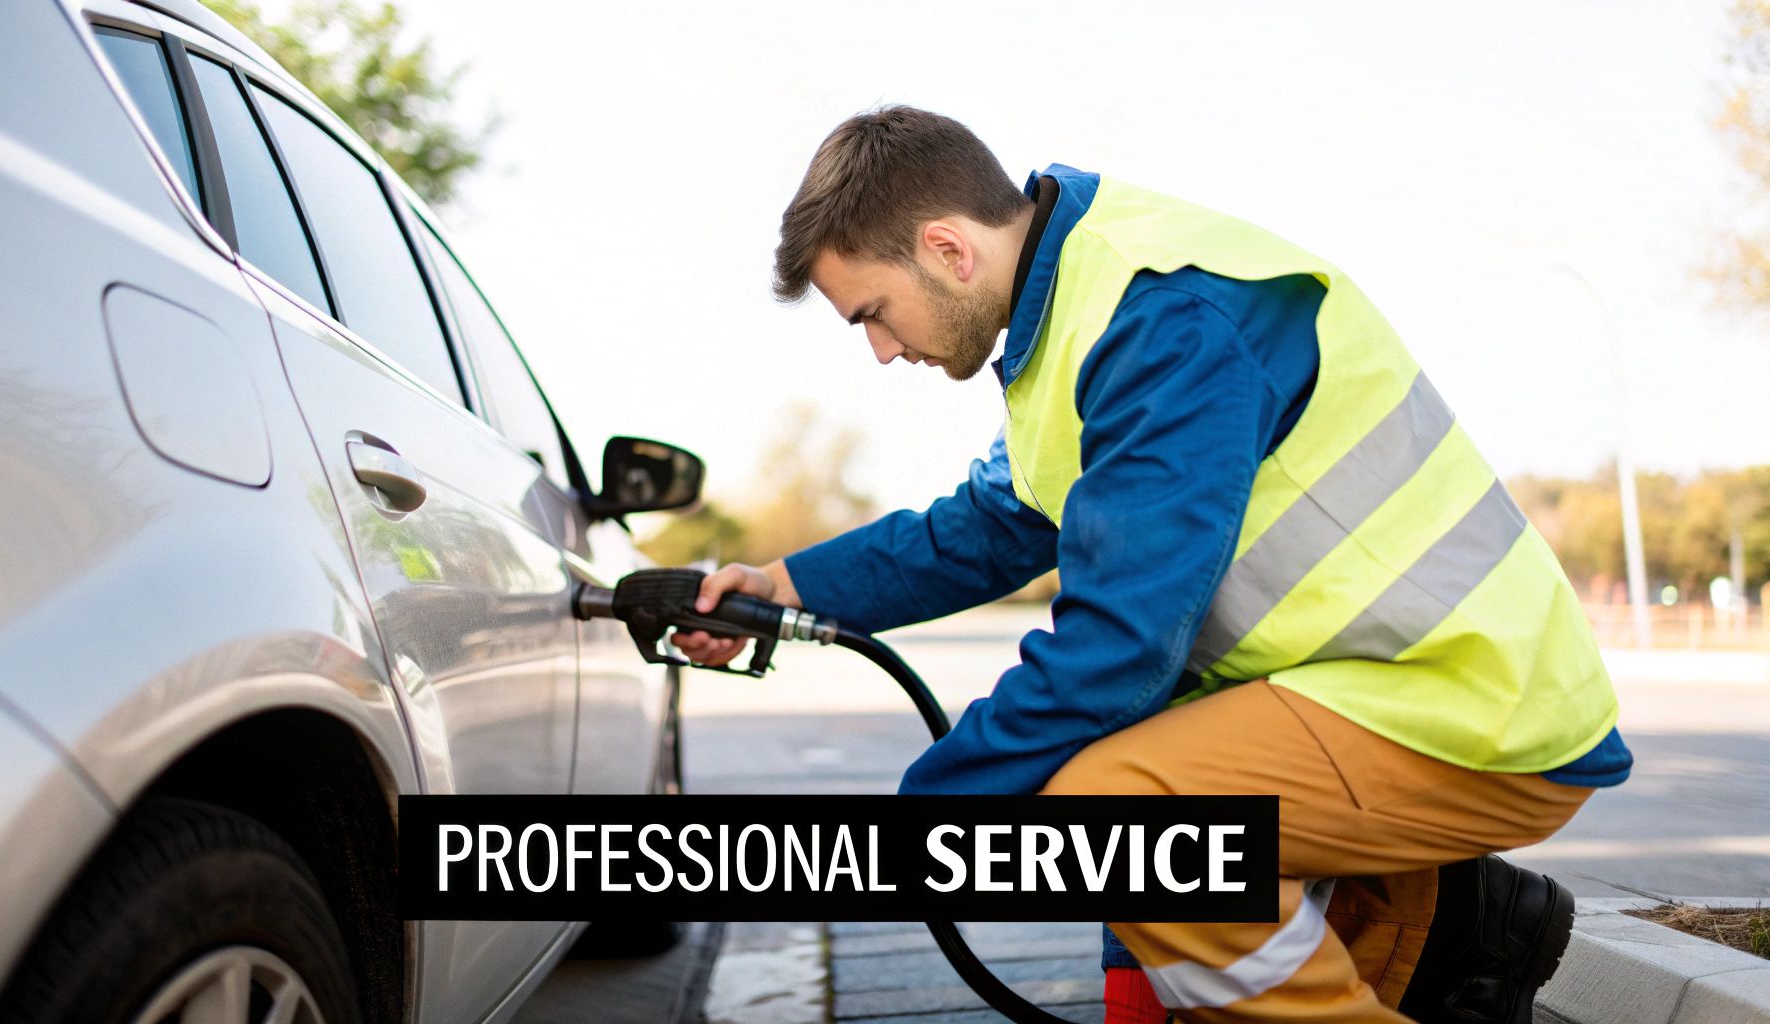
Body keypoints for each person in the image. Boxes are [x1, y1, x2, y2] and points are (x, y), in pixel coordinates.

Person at [673, 106, 1631, 1024]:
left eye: (874, 315)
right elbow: (989, 527)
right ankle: (1443, 932)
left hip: (1471, 704)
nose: (882, 350)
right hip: (1376, 695)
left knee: (1121, 821)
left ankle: (1437, 932)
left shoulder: (1160, 319)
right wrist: (785, 589)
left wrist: (931, 815)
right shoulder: (1075, 314)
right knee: (1155, 843)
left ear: (947, 250)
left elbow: (1118, 649)